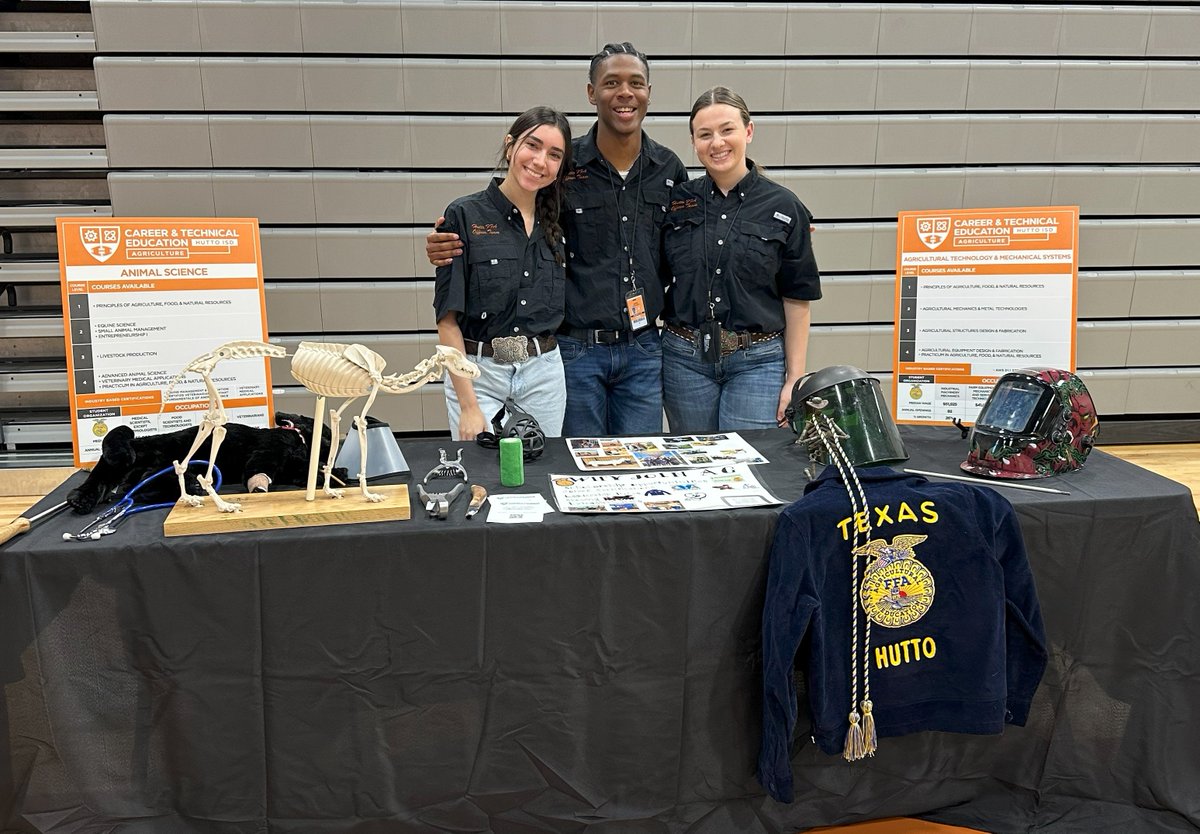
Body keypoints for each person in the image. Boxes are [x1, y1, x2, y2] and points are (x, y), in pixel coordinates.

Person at [428, 43, 688, 437]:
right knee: (573, 470)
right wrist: (450, 241)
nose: (625, 92)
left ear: (649, 91)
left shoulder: (669, 168)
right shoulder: (566, 168)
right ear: (591, 93)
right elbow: (511, 218)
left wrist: (781, 220)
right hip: (576, 351)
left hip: (643, 349)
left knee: (639, 467)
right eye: (611, 82)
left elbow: (692, 238)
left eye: (636, 83)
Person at [660, 87, 821, 434]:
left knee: (748, 467)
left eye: (727, 129)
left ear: (748, 131)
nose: (717, 142)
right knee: (693, 465)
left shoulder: (784, 207)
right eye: (705, 135)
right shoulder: (676, 204)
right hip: (684, 360)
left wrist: (795, 377)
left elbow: (797, 298)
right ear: (694, 142)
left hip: (757, 362)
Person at [434, 106, 572, 441]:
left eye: (554, 155)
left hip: (544, 375)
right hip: (479, 374)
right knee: (484, 476)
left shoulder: (562, 221)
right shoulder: (463, 215)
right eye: (532, 145)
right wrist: (468, 406)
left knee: (541, 473)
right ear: (510, 146)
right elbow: (447, 322)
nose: (540, 161)